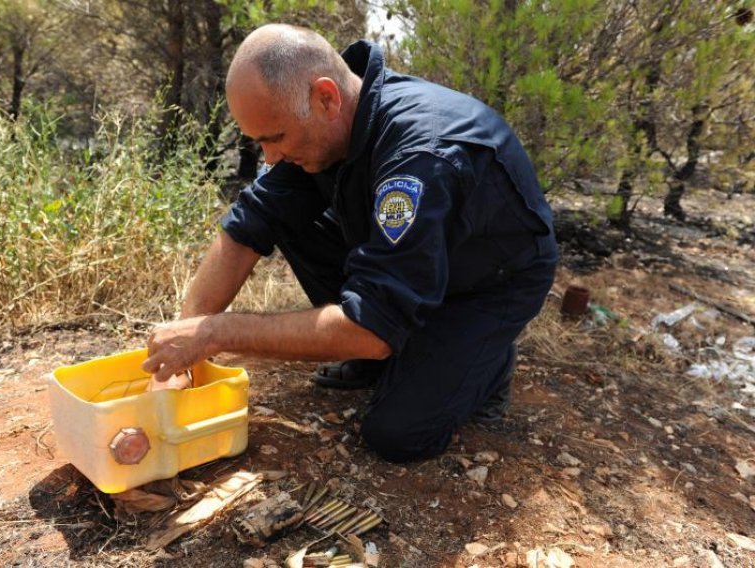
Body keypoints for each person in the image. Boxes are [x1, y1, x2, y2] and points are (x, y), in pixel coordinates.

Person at [143, 24, 558, 462]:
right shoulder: (321, 123)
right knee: (285, 217)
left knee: (397, 434)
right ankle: (388, 355)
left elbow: (373, 326)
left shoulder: (419, 157)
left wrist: (214, 333)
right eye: (259, 142)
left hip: (487, 282)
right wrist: (181, 351)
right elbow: (249, 224)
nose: (269, 158)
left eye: (275, 138)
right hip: (415, 264)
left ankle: (485, 363)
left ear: (326, 97)